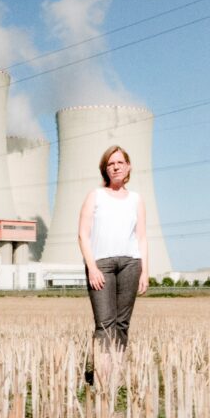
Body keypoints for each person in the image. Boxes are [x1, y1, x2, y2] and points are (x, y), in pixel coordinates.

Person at [78, 144, 149, 385]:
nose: (115, 166)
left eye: (119, 162)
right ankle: (101, 378)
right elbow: (83, 234)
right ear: (105, 169)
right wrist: (92, 267)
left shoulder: (136, 199)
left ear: (128, 166)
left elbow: (141, 237)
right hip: (102, 264)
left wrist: (145, 271)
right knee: (104, 323)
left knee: (122, 323)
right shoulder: (95, 196)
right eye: (110, 163)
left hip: (131, 263)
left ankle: (115, 376)